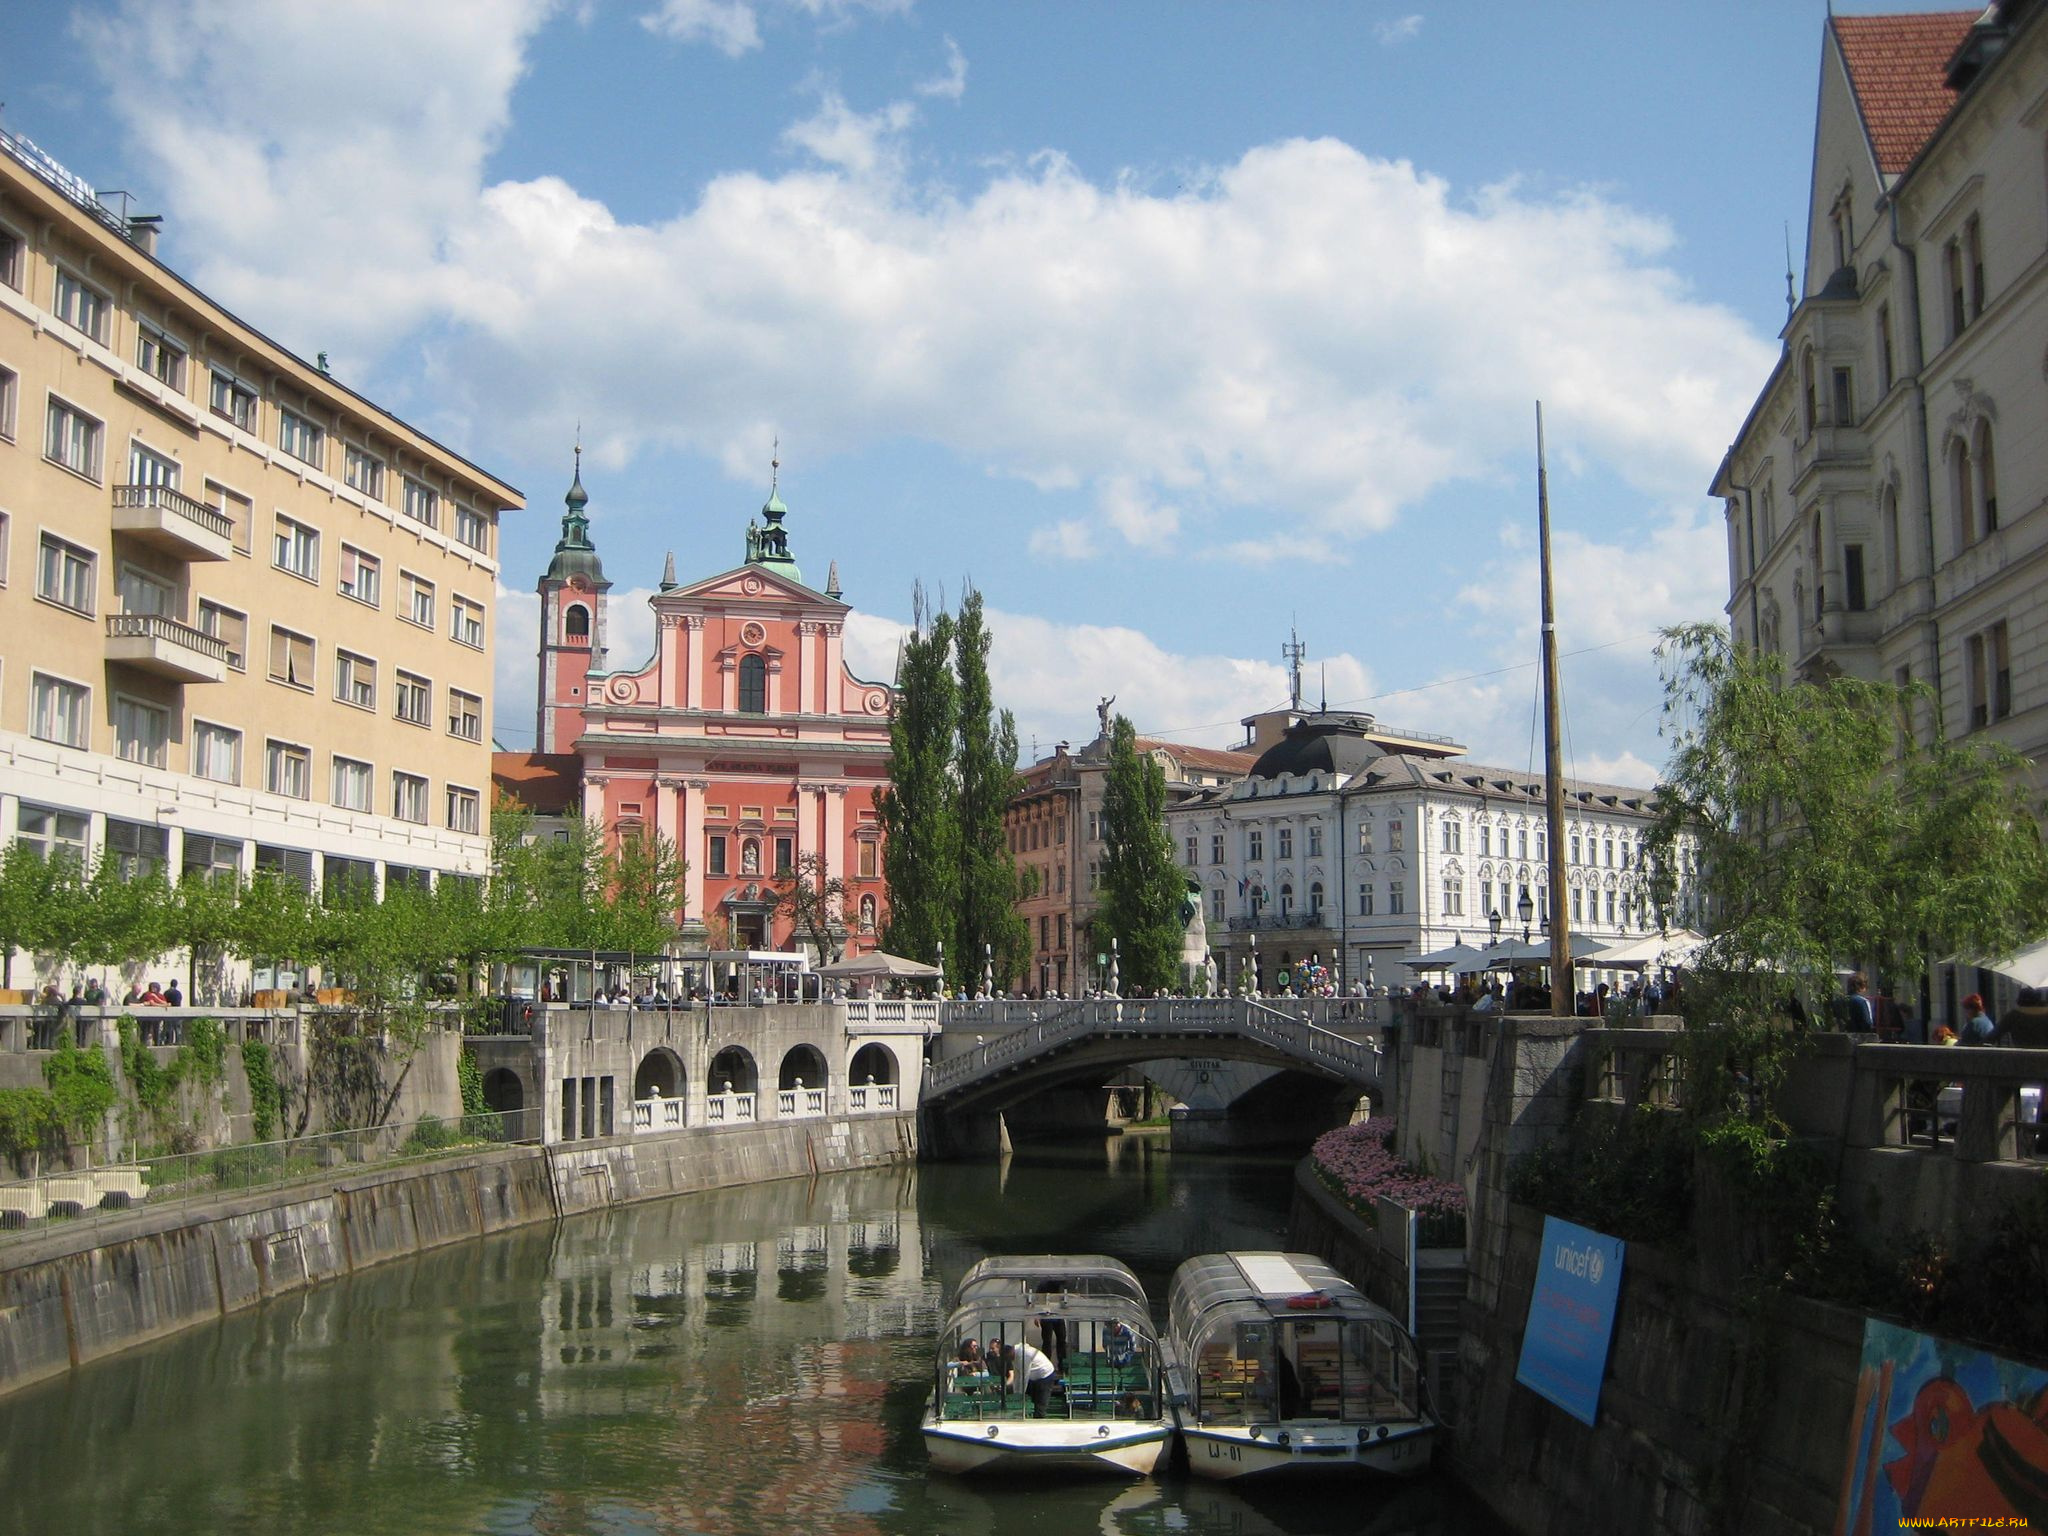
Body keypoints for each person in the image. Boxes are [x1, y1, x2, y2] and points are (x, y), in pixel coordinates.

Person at [995, 1335, 1058, 1418]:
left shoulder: (1024, 1355)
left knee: (1040, 1403)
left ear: (1010, 1352)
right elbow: (1017, 1376)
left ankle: (1039, 1421)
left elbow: (1024, 1376)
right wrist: (1016, 1393)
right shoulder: (1014, 1355)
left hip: (1045, 1375)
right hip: (1034, 1377)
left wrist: (1021, 1395)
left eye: (1008, 1358)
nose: (1009, 1360)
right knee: (1032, 1400)